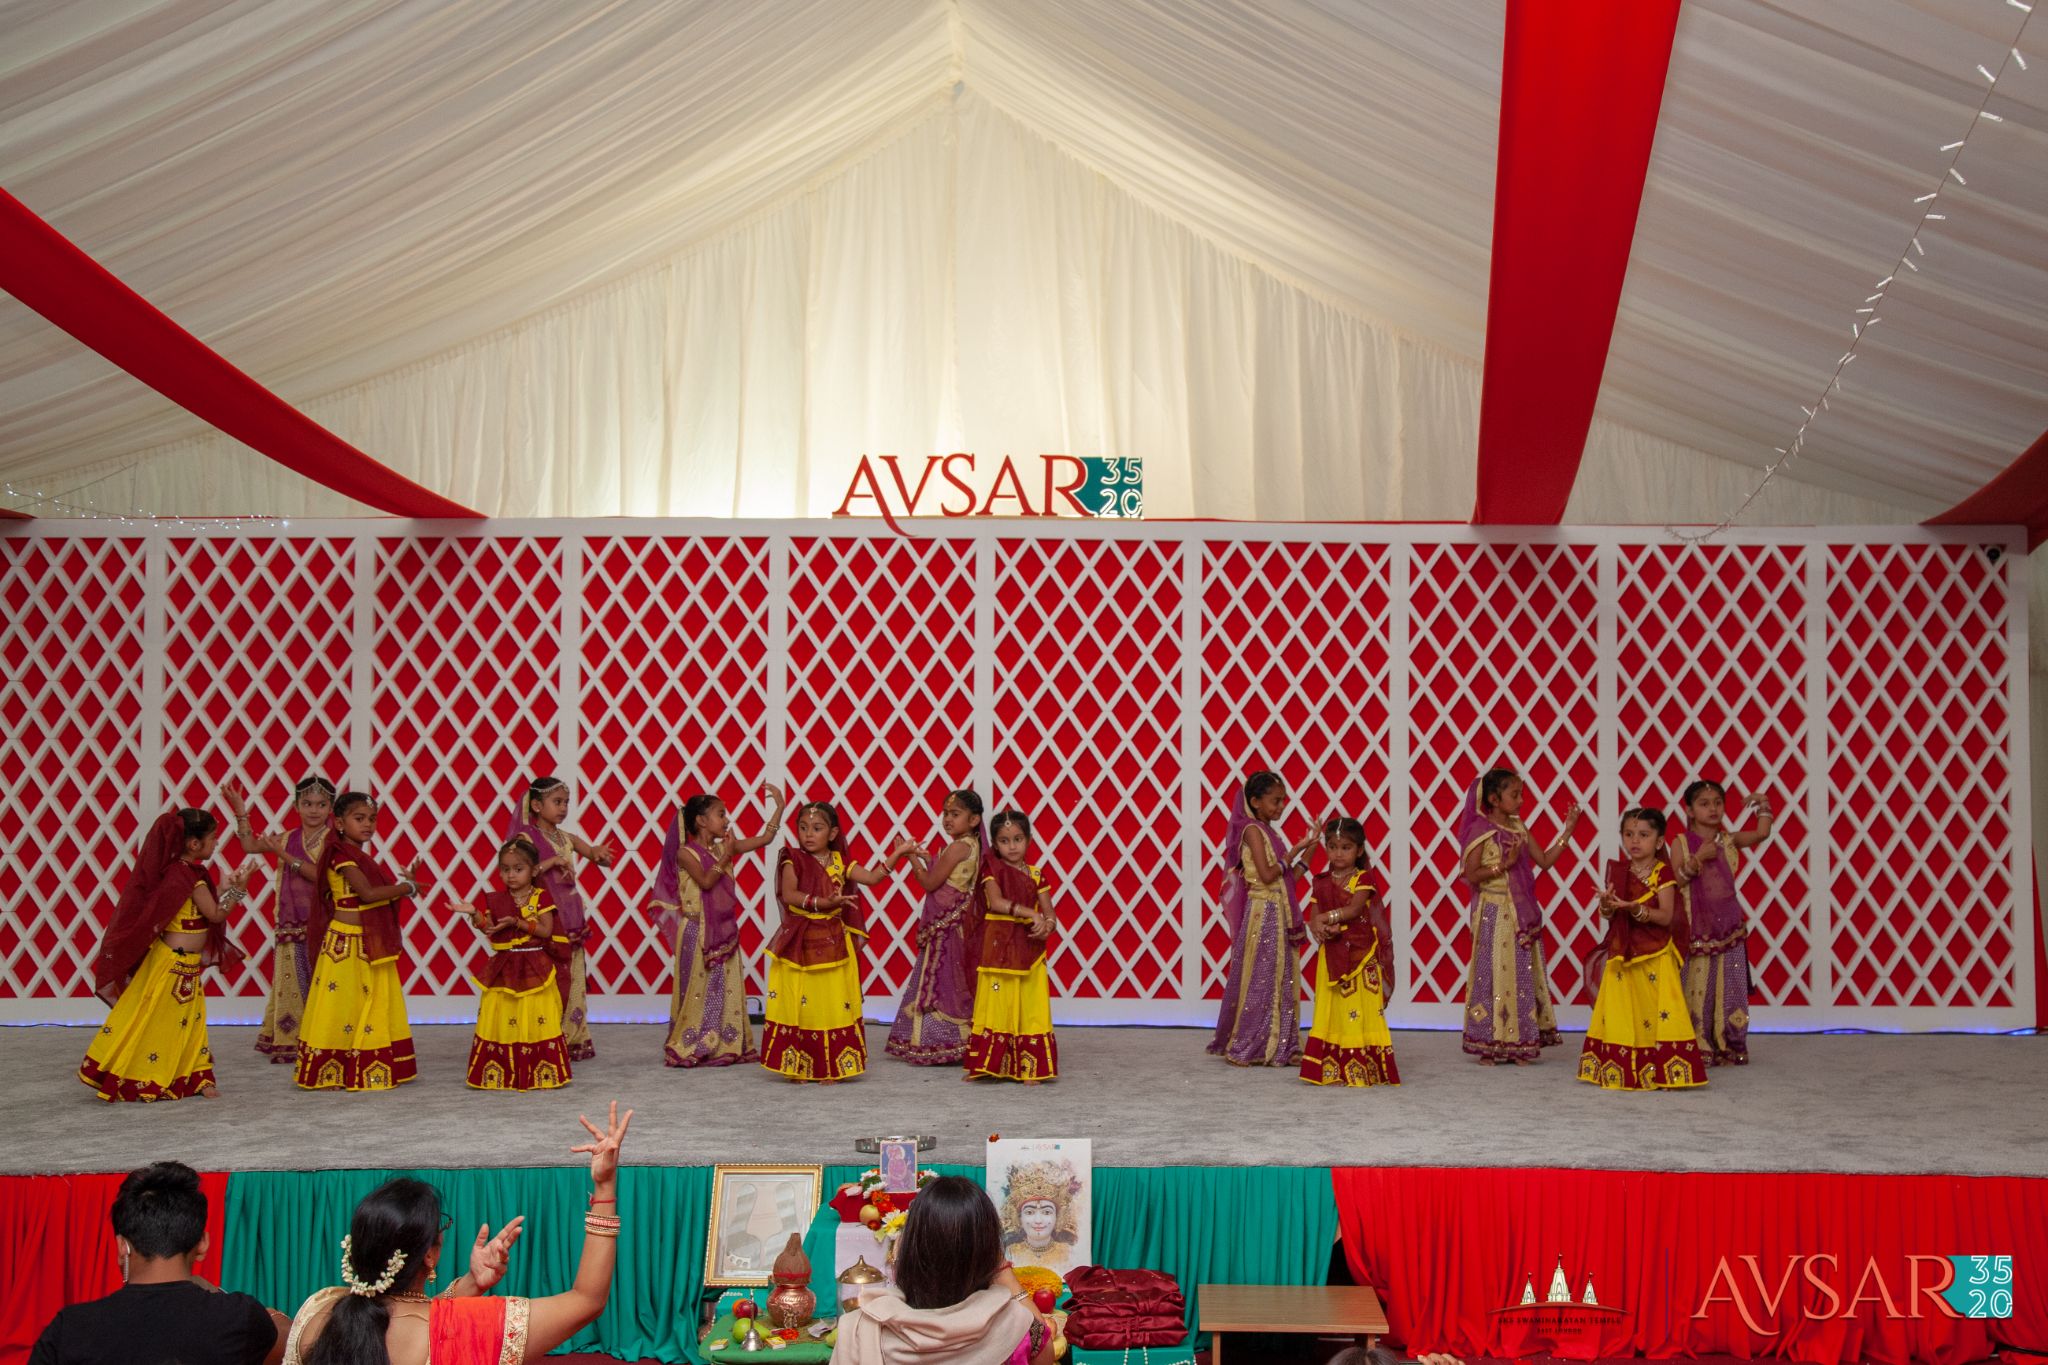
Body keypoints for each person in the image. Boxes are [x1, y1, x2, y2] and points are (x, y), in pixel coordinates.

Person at [284, 1101, 632, 1364]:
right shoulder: (461, 1328)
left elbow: (398, 1316)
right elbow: (586, 1300)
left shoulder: (317, 1311)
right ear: (430, 1255)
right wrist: (604, 1188)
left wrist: (470, 1284)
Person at [28, 1160, 287, 1365]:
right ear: (203, 1244)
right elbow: (295, 1342)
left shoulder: (71, 1328)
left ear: (122, 1247)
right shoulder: (240, 1317)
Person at [81, 809, 251, 1102]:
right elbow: (214, 913)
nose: (216, 844)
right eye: (212, 838)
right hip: (173, 966)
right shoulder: (189, 878)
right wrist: (238, 892)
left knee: (182, 1021)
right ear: (193, 844)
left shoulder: (177, 873)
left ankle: (194, 1075)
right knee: (165, 1023)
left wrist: (222, 886)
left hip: (177, 962)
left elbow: (193, 908)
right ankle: (148, 1076)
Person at [761, 801, 913, 1083]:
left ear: (832, 834)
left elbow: (873, 878)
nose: (808, 834)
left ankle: (829, 1066)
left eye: (817, 828)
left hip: (833, 944)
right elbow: (790, 894)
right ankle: (800, 1066)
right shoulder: (791, 858)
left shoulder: (841, 862)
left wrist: (898, 854)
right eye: (803, 828)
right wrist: (822, 902)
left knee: (830, 1005)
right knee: (801, 1004)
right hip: (799, 943)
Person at [832, 1175, 1052, 1365]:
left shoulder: (858, 1329)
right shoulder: (1018, 1326)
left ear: (910, 1248)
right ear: (989, 1253)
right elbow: (1045, 1352)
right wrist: (1002, 1269)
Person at [296, 792, 421, 1092]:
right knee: (342, 1005)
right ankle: (333, 1070)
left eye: (372, 819)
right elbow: (367, 894)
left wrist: (401, 886)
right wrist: (406, 887)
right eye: (359, 818)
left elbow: (376, 893)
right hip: (345, 945)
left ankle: (365, 1064)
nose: (367, 824)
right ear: (339, 823)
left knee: (370, 1002)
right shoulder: (341, 855)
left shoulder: (357, 855)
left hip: (367, 942)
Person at [1456, 768, 1581, 1065]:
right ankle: (1488, 1043)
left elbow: (1545, 861)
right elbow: (1470, 874)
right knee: (1492, 976)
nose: (1522, 800)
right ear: (1494, 799)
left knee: (1521, 975)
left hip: (1520, 914)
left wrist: (1568, 831)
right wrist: (1504, 866)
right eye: (1515, 795)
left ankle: (1519, 1042)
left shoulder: (1518, 827)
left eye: (1522, 794)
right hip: (1493, 911)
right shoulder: (1481, 830)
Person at [1577, 808, 1708, 1091]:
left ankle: (1661, 1072)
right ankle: (1618, 1070)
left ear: (1659, 842)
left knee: (1654, 1012)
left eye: (1644, 835)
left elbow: (1666, 916)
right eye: (1629, 834)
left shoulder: (1664, 874)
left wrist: (1636, 909)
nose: (1635, 841)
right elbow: (1610, 915)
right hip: (1622, 951)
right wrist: (1607, 905)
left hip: (1654, 952)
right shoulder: (1619, 871)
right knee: (1621, 1011)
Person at [655, 784, 784, 1068]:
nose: (727, 820)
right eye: (720, 814)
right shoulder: (685, 853)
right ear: (701, 820)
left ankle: (725, 1041)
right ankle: (695, 1041)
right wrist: (726, 856)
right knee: (698, 988)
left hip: (723, 928)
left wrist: (779, 807)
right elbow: (705, 881)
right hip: (697, 930)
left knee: (724, 986)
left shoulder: (724, 847)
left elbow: (764, 839)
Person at [1208, 771, 1319, 1067]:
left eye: (1283, 800)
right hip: (1263, 913)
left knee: (1282, 978)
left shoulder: (1269, 832)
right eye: (1275, 801)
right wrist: (1293, 852)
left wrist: (1310, 850)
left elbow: (1287, 880)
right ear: (1255, 802)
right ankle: (1251, 1044)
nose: (1282, 806)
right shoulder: (1253, 831)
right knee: (1261, 979)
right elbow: (1269, 875)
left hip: (1278, 910)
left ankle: (1284, 1044)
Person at [226, 776, 336, 1063]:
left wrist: (282, 855)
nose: (314, 810)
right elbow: (250, 845)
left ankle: (324, 1041)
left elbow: (319, 876)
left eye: (321, 804)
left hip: (324, 924)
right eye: (307, 803)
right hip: (289, 924)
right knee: (292, 984)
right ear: (296, 805)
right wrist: (241, 812)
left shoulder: (333, 840)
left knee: (324, 984)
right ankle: (292, 1042)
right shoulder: (287, 837)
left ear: (330, 808)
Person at [449, 836, 573, 1090]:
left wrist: (517, 922)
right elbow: (491, 929)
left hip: (534, 965)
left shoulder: (541, 897)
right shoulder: (496, 899)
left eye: (518, 869)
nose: (511, 875)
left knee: (534, 1014)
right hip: (504, 966)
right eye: (505, 869)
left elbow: (546, 930)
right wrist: (473, 913)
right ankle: (502, 1072)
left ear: (534, 870)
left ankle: (540, 1072)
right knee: (504, 1014)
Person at [508, 777, 617, 1062]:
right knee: (551, 980)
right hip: (544, 919)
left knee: (574, 979)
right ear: (536, 805)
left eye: (566, 802)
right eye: (557, 802)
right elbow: (521, 872)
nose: (563, 808)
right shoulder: (526, 839)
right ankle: (546, 1038)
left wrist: (600, 856)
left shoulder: (565, 837)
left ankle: (571, 1038)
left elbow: (591, 852)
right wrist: (553, 862)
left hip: (571, 917)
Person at [1672, 780, 1775, 1066]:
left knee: (1730, 987)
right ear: (1690, 810)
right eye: (1704, 803)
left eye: (1718, 802)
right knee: (1697, 988)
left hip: (1729, 927)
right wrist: (1697, 860)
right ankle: (1698, 1043)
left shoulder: (1728, 840)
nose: (1713, 808)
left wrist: (1763, 804)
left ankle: (1729, 1044)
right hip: (1696, 929)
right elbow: (1675, 880)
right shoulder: (1680, 843)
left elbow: (1762, 833)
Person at [885, 789, 987, 1066]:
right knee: (955, 983)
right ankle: (960, 1042)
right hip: (957, 923)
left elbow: (930, 883)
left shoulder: (957, 847)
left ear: (975, 819)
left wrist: (909, 858)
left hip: (947, 927)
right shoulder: (972, 845)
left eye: (955, 814)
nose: (947, 820)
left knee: (940, 985)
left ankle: (935, 1044)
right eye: (945, 814)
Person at [1300, 817, 1399, 1087]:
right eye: (1332, 846)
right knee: (1331, 1007)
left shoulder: (1362, 878)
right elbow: (1313, 913)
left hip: (1360, 953)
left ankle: (1361, 1067)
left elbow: (1355, 910)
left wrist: (1326, 920)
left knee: (1357, 1008)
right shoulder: (1320, 881)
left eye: (1345, 847)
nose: (1338, 853)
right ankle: (1330, 1069)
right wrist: (1317, 929)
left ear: (1359, 850)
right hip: (1331, 954)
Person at [965, 809, 1059, 1083]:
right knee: (996, 1004)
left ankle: (1031, 1068)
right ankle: (987, 1065)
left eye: (1018, 839)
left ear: (1028, 840)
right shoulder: (991, 870)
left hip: (1029, 950)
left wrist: (1047, 926)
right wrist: (1030, 915)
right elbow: (996, 903)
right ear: (995, 844)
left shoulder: (1036, 874)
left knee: (1030, 1007)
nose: (1013, 846)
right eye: (1005, 841)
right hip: (998, 948)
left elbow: (1050, 912)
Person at [997, 1160, 1081, 1271]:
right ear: (1019, 1218)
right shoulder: (1008, 1254)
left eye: (1046, 1212)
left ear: (1058, 1217)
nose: (1038, 1220)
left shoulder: (1070, 1253)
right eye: (1029, 1212)